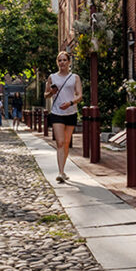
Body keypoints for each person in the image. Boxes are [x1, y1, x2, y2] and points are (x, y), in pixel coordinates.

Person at [45, 51, 82, 182]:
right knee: (60, 142)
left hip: (71, 112)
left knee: (66, 143)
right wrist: (51, 92)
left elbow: (79, 95)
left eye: (64, 60)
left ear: (69, 62)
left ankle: (63, 169)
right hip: (56, 113)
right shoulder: (52, 77)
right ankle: (60, 172)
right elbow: (46, 95)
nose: (62, 63)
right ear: (57, 63)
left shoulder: (75, 77)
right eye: (60, 60)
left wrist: (71, 102)